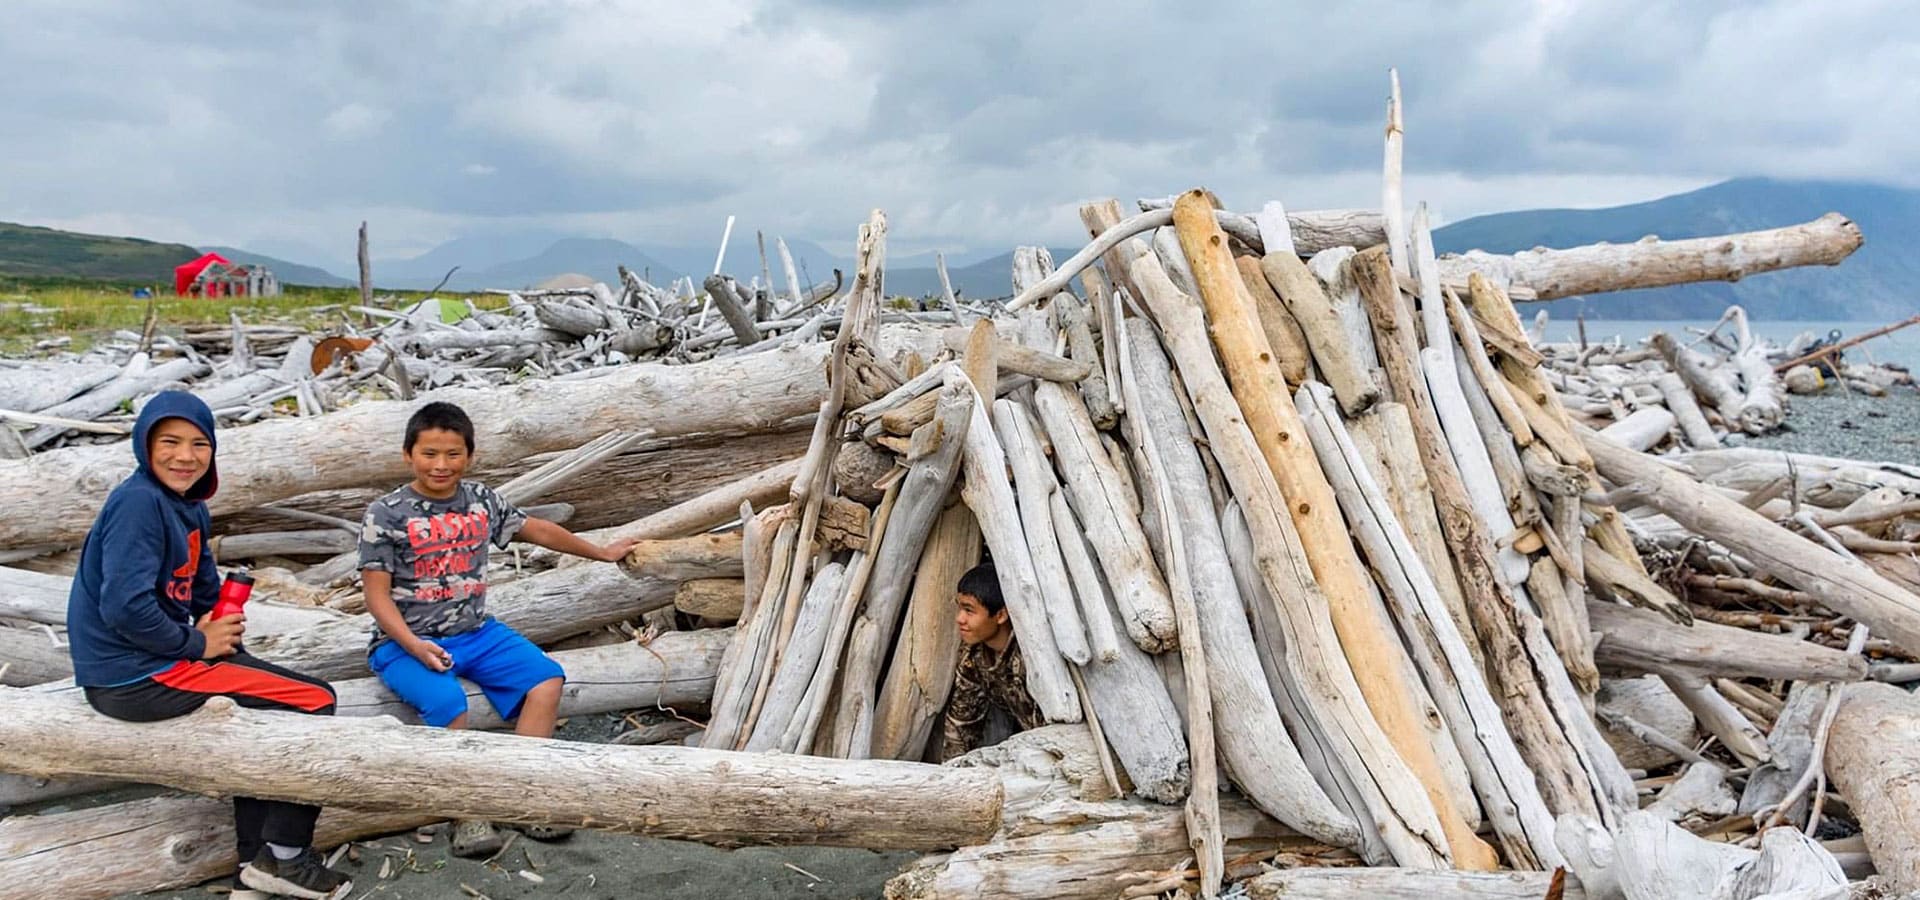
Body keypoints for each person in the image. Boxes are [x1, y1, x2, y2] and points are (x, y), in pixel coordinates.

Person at [68, 391, 352, 900]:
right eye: (169, 442)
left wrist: (218, 618)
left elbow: (199, 591)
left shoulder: (189, 507)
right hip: (132, 673)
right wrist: (196, 643)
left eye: (200, 444)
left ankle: (254, 861)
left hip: (157, 658)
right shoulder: (139, 503)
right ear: (143, 445)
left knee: (265, 703)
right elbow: (124, 608)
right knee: (315, 700)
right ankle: (286, 859)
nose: (185, 456)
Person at [358, 401, 635, 858]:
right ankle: (466, 809)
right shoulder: (386, 514)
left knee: (546, 679)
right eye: (429, 454)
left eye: (452, 454)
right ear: (408, 455)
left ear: (469, 455)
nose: (441, 465)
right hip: (401, 642)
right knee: (447, 702)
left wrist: (602, 552)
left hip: (476, 633)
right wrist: (413, 644)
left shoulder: (481, 500)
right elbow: (376, 596)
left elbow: (538, 530)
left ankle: (520, 795)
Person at [938, 562, 1044, 762]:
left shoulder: (1033, 657)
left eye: (969, 611)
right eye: (960, 608)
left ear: (1001, 615)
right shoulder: (973, 656)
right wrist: (949, 775)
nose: (959, 618)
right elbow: (961, 725)